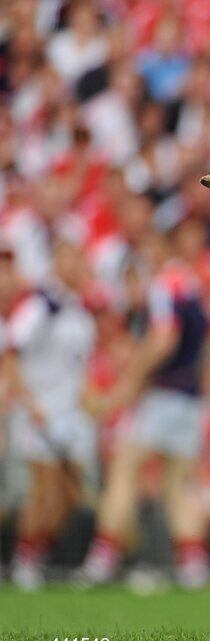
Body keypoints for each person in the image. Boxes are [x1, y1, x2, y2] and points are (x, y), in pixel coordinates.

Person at [75, 221, 210, 587]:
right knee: (178, 483)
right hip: (192, 396)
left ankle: (102, 560)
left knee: (124, 470)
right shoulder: (190, 283)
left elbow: (164, 339)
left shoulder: (163, 286)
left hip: (164, 394)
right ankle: (193, 565)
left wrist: (128, 381)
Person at [4, 238, 97, 589]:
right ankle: (25, 561)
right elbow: (11, 352)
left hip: (71, 414)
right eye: (65, 259)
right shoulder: (40, 305)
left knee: (70, 494)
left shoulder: (80, 310)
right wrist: (29, 402)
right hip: (42, 411)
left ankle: (37, 553)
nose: (72, 266)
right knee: (42, 489)